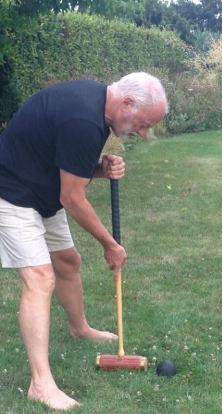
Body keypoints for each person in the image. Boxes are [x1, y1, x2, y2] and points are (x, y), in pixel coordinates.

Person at [0, 72, 168, 410]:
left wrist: (100, 169)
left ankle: (79, 329)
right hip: (12, 192)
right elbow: (73, 197)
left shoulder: (96, 106)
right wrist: (110, 244)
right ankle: (40, 384)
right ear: (127, 103)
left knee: (67, 261)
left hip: (41, 190)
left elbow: (67, 162)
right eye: (143, 123)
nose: (143, 132)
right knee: (39, 278)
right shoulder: (84, 119)